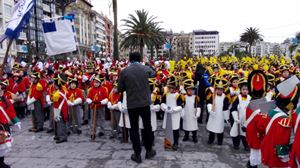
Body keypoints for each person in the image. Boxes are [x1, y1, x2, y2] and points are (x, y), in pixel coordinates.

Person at [117, 52, 156, 163]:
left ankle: (137, 154)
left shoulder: (124, 71)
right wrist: (148, 64)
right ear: (140, 59)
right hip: (145, 103)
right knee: (147, 127)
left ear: (129, 59)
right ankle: (149, 151)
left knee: (134, 129)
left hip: (132, 104)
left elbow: (120, 89)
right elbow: (153, 74)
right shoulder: (145, 68)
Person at [0, 80, 21, 168]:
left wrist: (16, 121)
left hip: (4, 126)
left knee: (2, 146)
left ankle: (1, 162)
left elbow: (11, 111)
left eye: (1, 90)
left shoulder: (5, 99)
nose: (1, 92)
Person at [161, 76, 184, 150]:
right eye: (169, 87)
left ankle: (175, 143)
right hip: (167, 114)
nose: (170, 89)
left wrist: (173, 109)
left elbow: (181, 106)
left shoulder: (178, 96)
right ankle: (168, 142)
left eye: (171, 88)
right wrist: (165, 108)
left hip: (175, 115)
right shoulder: (166, 95)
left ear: (175, 88)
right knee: (168, 130)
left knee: (175, 130)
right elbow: (162, 103)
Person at [206, 77, 230, 145]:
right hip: (213, 114)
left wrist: (226, 118)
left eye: (221, 89)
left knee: (220, 129)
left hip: (220, 115)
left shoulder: (225, 97)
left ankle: (220, 141)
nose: (219, 91)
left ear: (223, 90)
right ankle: (211, 140)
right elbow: (209, 103)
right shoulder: (212, 96)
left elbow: (225, 108)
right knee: (212, 129)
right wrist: (210, 110)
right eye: (218, 89)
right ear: (216, 89)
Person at [229, 78, 250, 151]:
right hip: (238, 118)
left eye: (247, 90)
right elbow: (233, 109)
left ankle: (246, 145)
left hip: (246, 119)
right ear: (240, 90)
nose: (245, 91)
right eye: (243, 89)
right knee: (237, 132)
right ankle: (236, 144)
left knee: (245, 133)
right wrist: (235, 118)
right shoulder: (237, 98)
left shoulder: (250, 98)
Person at [181, 79, 201, 143]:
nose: (190, 91)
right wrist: (182, 114)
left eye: (192, 90)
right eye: (189, 90)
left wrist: (197, 114)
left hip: (193, 114)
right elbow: (182, 106)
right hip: (186, 113)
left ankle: (194, 136)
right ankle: (186, 136)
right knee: (186, 126)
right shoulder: (184, 97)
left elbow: (198, 106)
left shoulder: (195, 97)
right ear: (186, 90)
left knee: (193, 127)